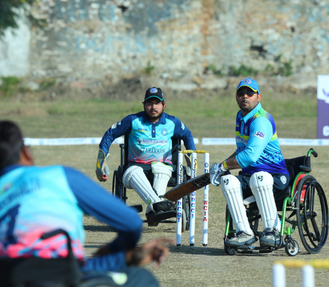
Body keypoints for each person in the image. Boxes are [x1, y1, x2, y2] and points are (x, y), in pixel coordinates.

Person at [0, 120, 174, 287]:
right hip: (59, 273)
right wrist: (115, 253)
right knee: (141, 278)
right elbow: (132, 223)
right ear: (26, 152)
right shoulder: (59, 175)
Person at [96, 87, 196, 225]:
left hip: (163, 167)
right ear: (144, 105)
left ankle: (153, 211)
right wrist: (101, 161)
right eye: (149, 103)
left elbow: (187, 136)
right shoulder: (133, 120)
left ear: (163, 105)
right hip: (135, 168)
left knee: (161, 169)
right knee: (134, 171)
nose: (153, 107)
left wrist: (191, 160)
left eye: (157, 103)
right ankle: (158, 206)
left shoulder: (173, 123)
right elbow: (110, 134)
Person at [210, 78, 290, 248]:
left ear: (258, 97)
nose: (244, 96)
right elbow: (241, 151)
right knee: (228, 180)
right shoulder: (241, 117)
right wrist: (220, 168)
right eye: (241, 93)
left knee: (258, 177)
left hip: (275, 178)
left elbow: (249, 157)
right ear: (236, 97)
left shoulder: (261, 120)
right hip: (250, 176)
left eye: (250, 93)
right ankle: (244, 233)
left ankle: (273, 231)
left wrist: (224, 166)